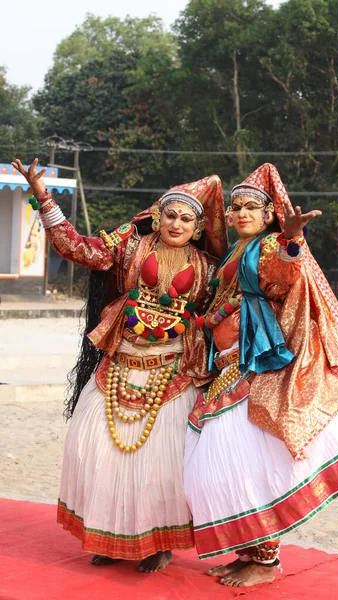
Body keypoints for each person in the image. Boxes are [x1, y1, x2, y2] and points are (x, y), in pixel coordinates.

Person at [12, 158, 227, 572]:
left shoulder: (211, 269)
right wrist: (42, 196)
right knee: (96, 450)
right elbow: (78, 248)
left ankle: (158, 543)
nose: (177, 223)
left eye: (186, 219)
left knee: (162, 463)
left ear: (198, 228)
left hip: (173, 374)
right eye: (171, 215)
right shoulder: (130, 246)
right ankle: (110, 538)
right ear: (157, 216)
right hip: (118, 364)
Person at [184, 162, 338, 587]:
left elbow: (284, 273)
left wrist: (293, 239)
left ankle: (267, 561)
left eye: (251, 207)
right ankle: (247, 553)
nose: (239, 214)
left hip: (254, 360)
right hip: (228, 360)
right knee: (228, 461)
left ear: (270, 214)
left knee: (250, 459)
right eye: (235, 207)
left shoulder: (271, 245)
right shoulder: (235, 250)